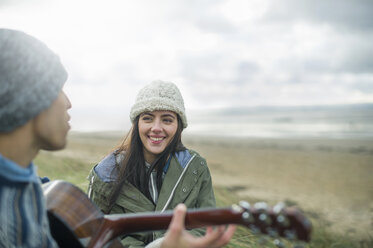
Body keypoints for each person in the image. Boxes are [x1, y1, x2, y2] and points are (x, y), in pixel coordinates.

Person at [0, 28, 235, 248]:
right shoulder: (103, 174)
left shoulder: (29, 190)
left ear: (179, 126)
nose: (69, 102)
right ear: (26, 100)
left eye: (167, 119)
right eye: (56, 89)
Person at [87, 80, 235, 247]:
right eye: (148, 118)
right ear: (137, 124)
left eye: (167, 120)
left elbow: (207, 226)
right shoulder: (107, 173)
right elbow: (97, 235)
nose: (156, 128)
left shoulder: (195, 167)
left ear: (179, 125)